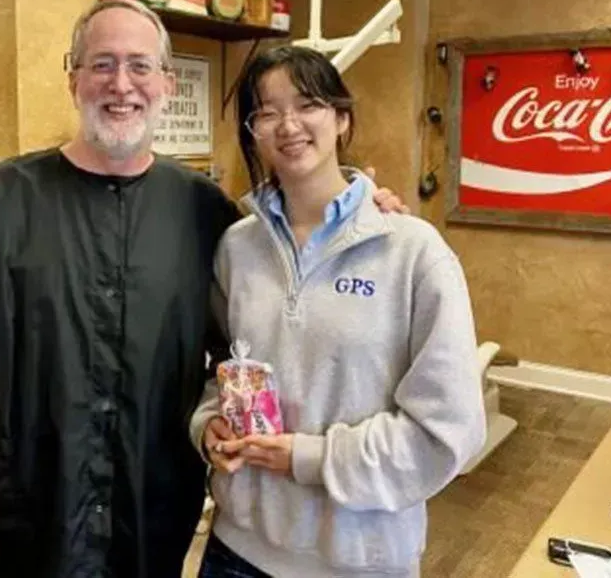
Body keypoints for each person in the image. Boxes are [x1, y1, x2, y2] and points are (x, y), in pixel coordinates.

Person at [0, 0, 407, 578]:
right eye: (102, 64)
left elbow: (268, 304)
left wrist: (363, 202)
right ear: (74, 79)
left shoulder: (205, 214)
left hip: (150, 523)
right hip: (25, 524)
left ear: (167, 82)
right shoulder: (1, 202)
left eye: (140, 66)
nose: (122, 84)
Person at [190, 46, 487, 578]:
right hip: (237, 550)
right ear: (252, 131)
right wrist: (209, 423)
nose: (288, 125)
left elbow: (448, 431)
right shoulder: (236, 247)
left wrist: (308, 457)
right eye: (266, 111)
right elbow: (220, 368)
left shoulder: (412, 251)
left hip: (358, 559)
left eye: (308, 104)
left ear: (342, 117)